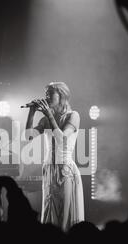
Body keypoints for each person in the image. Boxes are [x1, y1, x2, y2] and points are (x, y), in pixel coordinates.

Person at [25, 82, 84, 231]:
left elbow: (62, 139)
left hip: (65, 169)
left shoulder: (73, 116)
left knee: (64, 214)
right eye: (46, 94)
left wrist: (50, 116)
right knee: (49, 210)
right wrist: (32, 112)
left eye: (50, 93)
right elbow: (28, 136)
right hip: (49, 169)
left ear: (61, 95)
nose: (47, 97)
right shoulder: (45, 119)